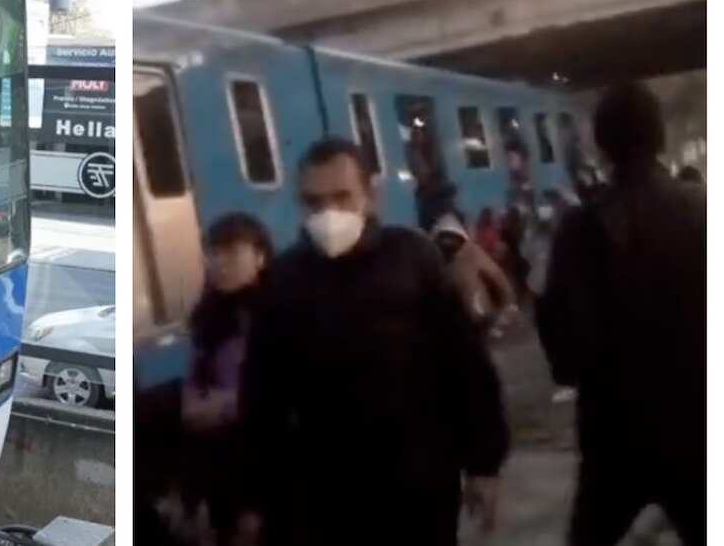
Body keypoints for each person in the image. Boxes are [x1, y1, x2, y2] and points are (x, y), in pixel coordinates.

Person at [236, 138, 508, 546]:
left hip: (420, 480)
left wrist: (484, 463)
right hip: (327, 491)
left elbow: (466, 365)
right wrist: (257, 497)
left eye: (343, 197)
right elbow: (262, 396)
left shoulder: (414, 259)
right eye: (314, 202)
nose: (329, 214)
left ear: (372, 196)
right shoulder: (285, 280)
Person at [535, 83, 705, 546]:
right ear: (661, 137)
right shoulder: (705, 211)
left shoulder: (580, 229)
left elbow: (566, 352)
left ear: (601, 144)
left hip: (614, 436)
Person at [180, 213, 273, 546]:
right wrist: (198, 406)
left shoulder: (275, 315)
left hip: (263, 466)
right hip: (215, 460)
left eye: (232, 253)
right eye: (214, 253)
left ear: (260, 257)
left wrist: (225, 403)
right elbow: (194, 384)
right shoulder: (209, 315)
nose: (220, 263)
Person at [431, 213, 519, 342]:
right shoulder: (438, 261)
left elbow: (497, 277)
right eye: (444, 238)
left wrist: (508, 300)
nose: (447, 242)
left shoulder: (471, 253)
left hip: (478, 313)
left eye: (450, 237)